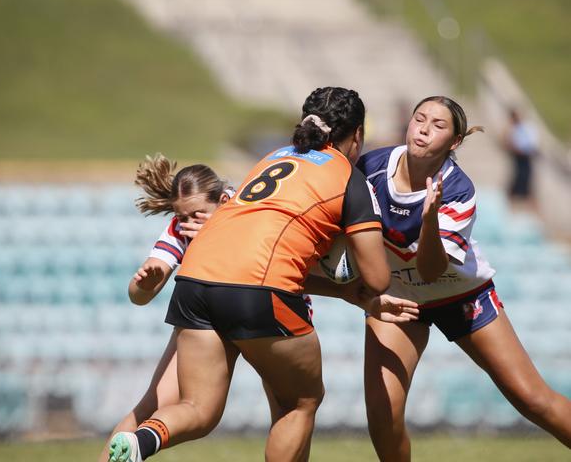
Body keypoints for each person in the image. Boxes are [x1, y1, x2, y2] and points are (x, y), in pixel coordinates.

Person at [108, 87, 419, 462]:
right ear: (357, 136)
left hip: (195, 281)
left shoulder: (271, 159)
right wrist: (346, 268)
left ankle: (142, 441)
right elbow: (378, 278)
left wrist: (339, 288)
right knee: (301, 402)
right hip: (260, 291)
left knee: (199, 409)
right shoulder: (349, 178)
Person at [356, 96, 571, 461]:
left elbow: (431, 270)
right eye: (419, 119)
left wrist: (428, 220)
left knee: (532, 399)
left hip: (461, 295)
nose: (423, 129)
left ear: (454, 143)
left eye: (438, 126)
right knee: (382, 414)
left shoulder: (457, 189)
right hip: (400, 299)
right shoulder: (371, 167)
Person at [97, 155, 233, 461]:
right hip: (210, 319)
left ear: (224, 200)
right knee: (154, 406)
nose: (187, 224)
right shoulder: (180, 228)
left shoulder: (250, 209)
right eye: (181, 216)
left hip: (251, 309)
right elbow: (138, 294)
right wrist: (145, 283)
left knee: (290, 404)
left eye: (198, 214)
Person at [502, 107, 539, 211]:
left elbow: (531, 143)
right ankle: (509, 207)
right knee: (517, 181)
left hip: (525, 157)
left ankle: (531, 209)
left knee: (526, 182)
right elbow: (507, 143)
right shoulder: (512, 129)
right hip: (518, 158)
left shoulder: (526, 127)